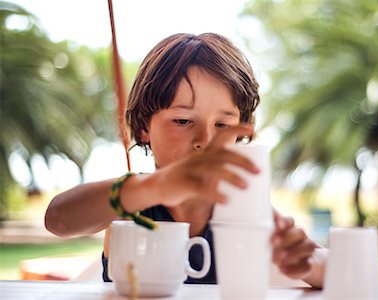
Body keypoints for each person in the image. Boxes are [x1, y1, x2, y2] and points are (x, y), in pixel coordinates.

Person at [45, 32, 326, 288]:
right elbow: (58, 218)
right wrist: (156, 187)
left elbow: (329, 268)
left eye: (223, 125)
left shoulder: (243, 209)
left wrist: (307, 263)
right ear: (144, 128)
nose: (204, 139)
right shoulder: (132, 201)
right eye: (182, 120)